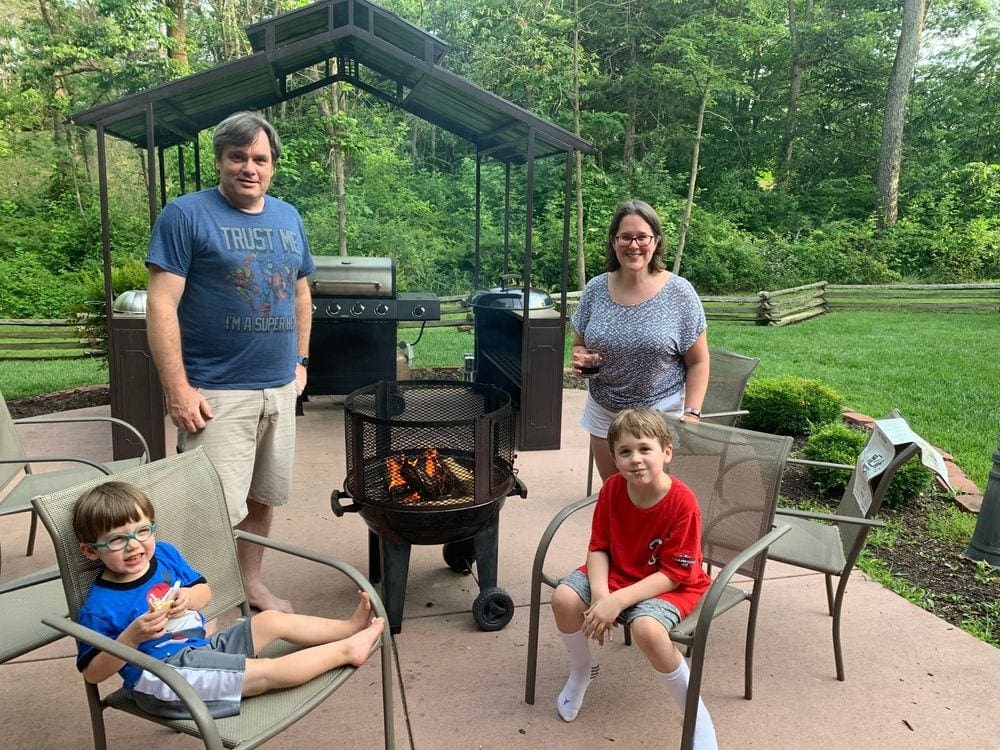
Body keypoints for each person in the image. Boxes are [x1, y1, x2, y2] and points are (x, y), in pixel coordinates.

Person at [146, 110, 315, 613]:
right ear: (219, 160)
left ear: (273, 166)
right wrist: (177, 388)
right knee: (209, 512)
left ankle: (251, 584)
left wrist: (301, 361)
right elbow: (161, 305)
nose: (249, 167)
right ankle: (205, 610)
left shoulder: (288, 217)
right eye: (238, 156)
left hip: (278, 389)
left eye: (260, 159)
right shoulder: (186, 215)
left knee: (263, 498)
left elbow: (303, 294)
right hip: (216, 393)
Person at [71, 480, 384, 719]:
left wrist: (188, 598)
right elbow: (93, 673)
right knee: (264, 673)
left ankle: (347, 628)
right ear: (90, 550)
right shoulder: (99, 608)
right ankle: (346, 650)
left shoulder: (165, 554)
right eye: (117, 540)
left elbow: (204, 592)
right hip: (165, 678)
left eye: (142, 531)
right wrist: (132, 637)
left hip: (202, 648)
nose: (133, 546)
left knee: (271, 620)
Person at [550, 408, 717, 749]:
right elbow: (598, 548)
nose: (635, 459)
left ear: (666, 452)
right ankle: (582, 671)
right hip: (618, 570)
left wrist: (617, 600)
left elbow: (673, 574)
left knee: (647, 630)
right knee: (564, 599)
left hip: (670, 582)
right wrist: (600, 595)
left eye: (644, 449)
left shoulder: (683, 504)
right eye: (625, 452)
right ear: (613, 457)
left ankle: (695, 714)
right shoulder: (613, 489)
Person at [571, 199, 710, 483]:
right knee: (615, 494)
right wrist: (581, 356)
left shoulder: (680, 293)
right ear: (614, 241)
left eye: (642, 237)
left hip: (660, 415)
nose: (633, 245)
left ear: (656, 241)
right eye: (625, 237)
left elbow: (698, 361)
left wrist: (692, 413)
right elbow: (578, 342)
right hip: (604, 411)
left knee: (655, 501)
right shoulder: (596, 289)